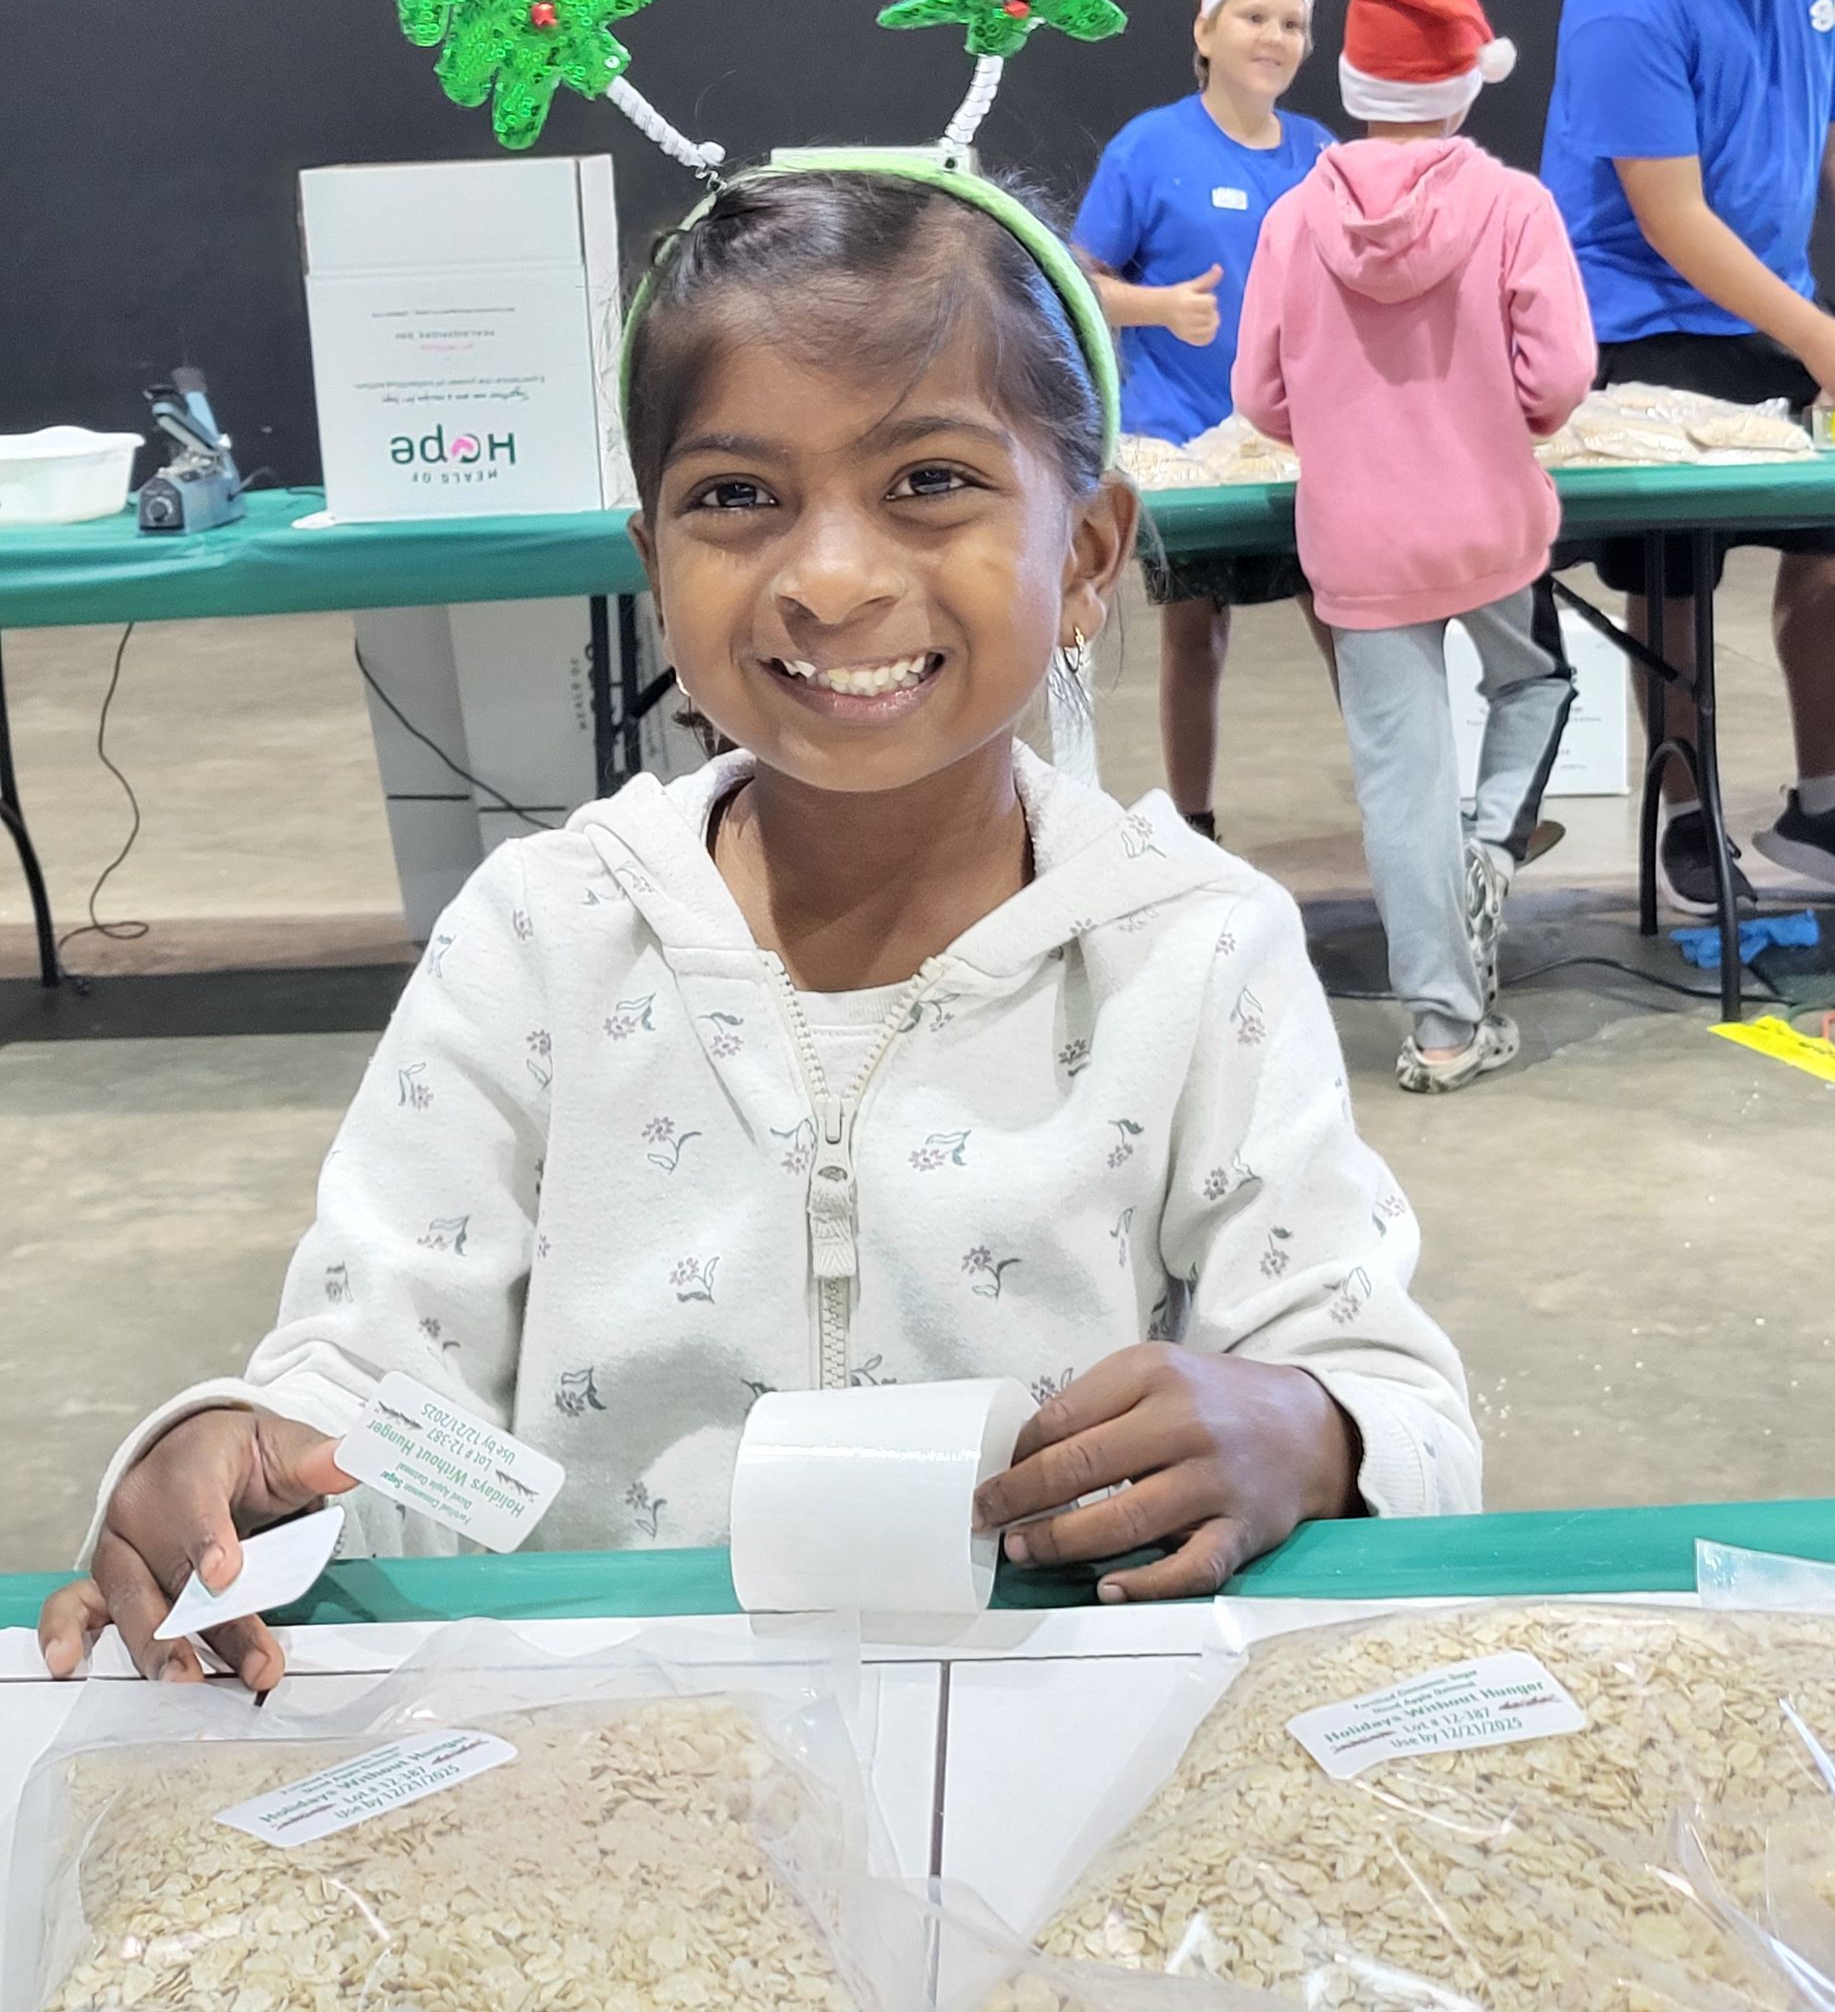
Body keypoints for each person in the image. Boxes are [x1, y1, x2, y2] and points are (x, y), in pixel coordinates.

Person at [40, 158, 1479, 1691]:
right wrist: (238, 1458)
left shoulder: (1196, 952)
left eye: (931, 481)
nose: (835, 578)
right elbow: (376, 1393)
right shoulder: (542, 935)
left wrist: (1312, 1429)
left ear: (1087, 554)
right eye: (737, 498)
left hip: (1056, 1740)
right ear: (655, 566)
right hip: (613, 1769)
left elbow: (1398, 1408)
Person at [1540, 0, 1835, 915]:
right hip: (1639, 311)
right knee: (1676, 581)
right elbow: (1671, 216)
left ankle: (1823, 802)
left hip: (1774, 305)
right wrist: (1819, 337)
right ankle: (1686, 813)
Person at [1236, 0, 1596, 1092]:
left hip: (1355, 534)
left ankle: (1442, 1031)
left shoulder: (1296, 218)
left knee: (1398, 776)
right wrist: (1503, 411)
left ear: (1352, 81)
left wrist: (1342, 432)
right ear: (1464, 84)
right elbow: (1563, 375)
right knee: (1537, 683)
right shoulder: (1514, 205)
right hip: (1488, 517)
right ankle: (1490, 852)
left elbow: (1259, 394)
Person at [1073, 0, 1338, 839]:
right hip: (1182, 442)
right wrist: (1155, 306)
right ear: (1206, 30)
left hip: (1303, 445)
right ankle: (1193, 825)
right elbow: (1075, 282)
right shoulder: (1150, 148)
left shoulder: (1321, 152)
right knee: (1195, 631)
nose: (1274, 37)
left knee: (1348, 616)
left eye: (1293, 23)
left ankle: (1402, 799)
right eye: (1254, 17)